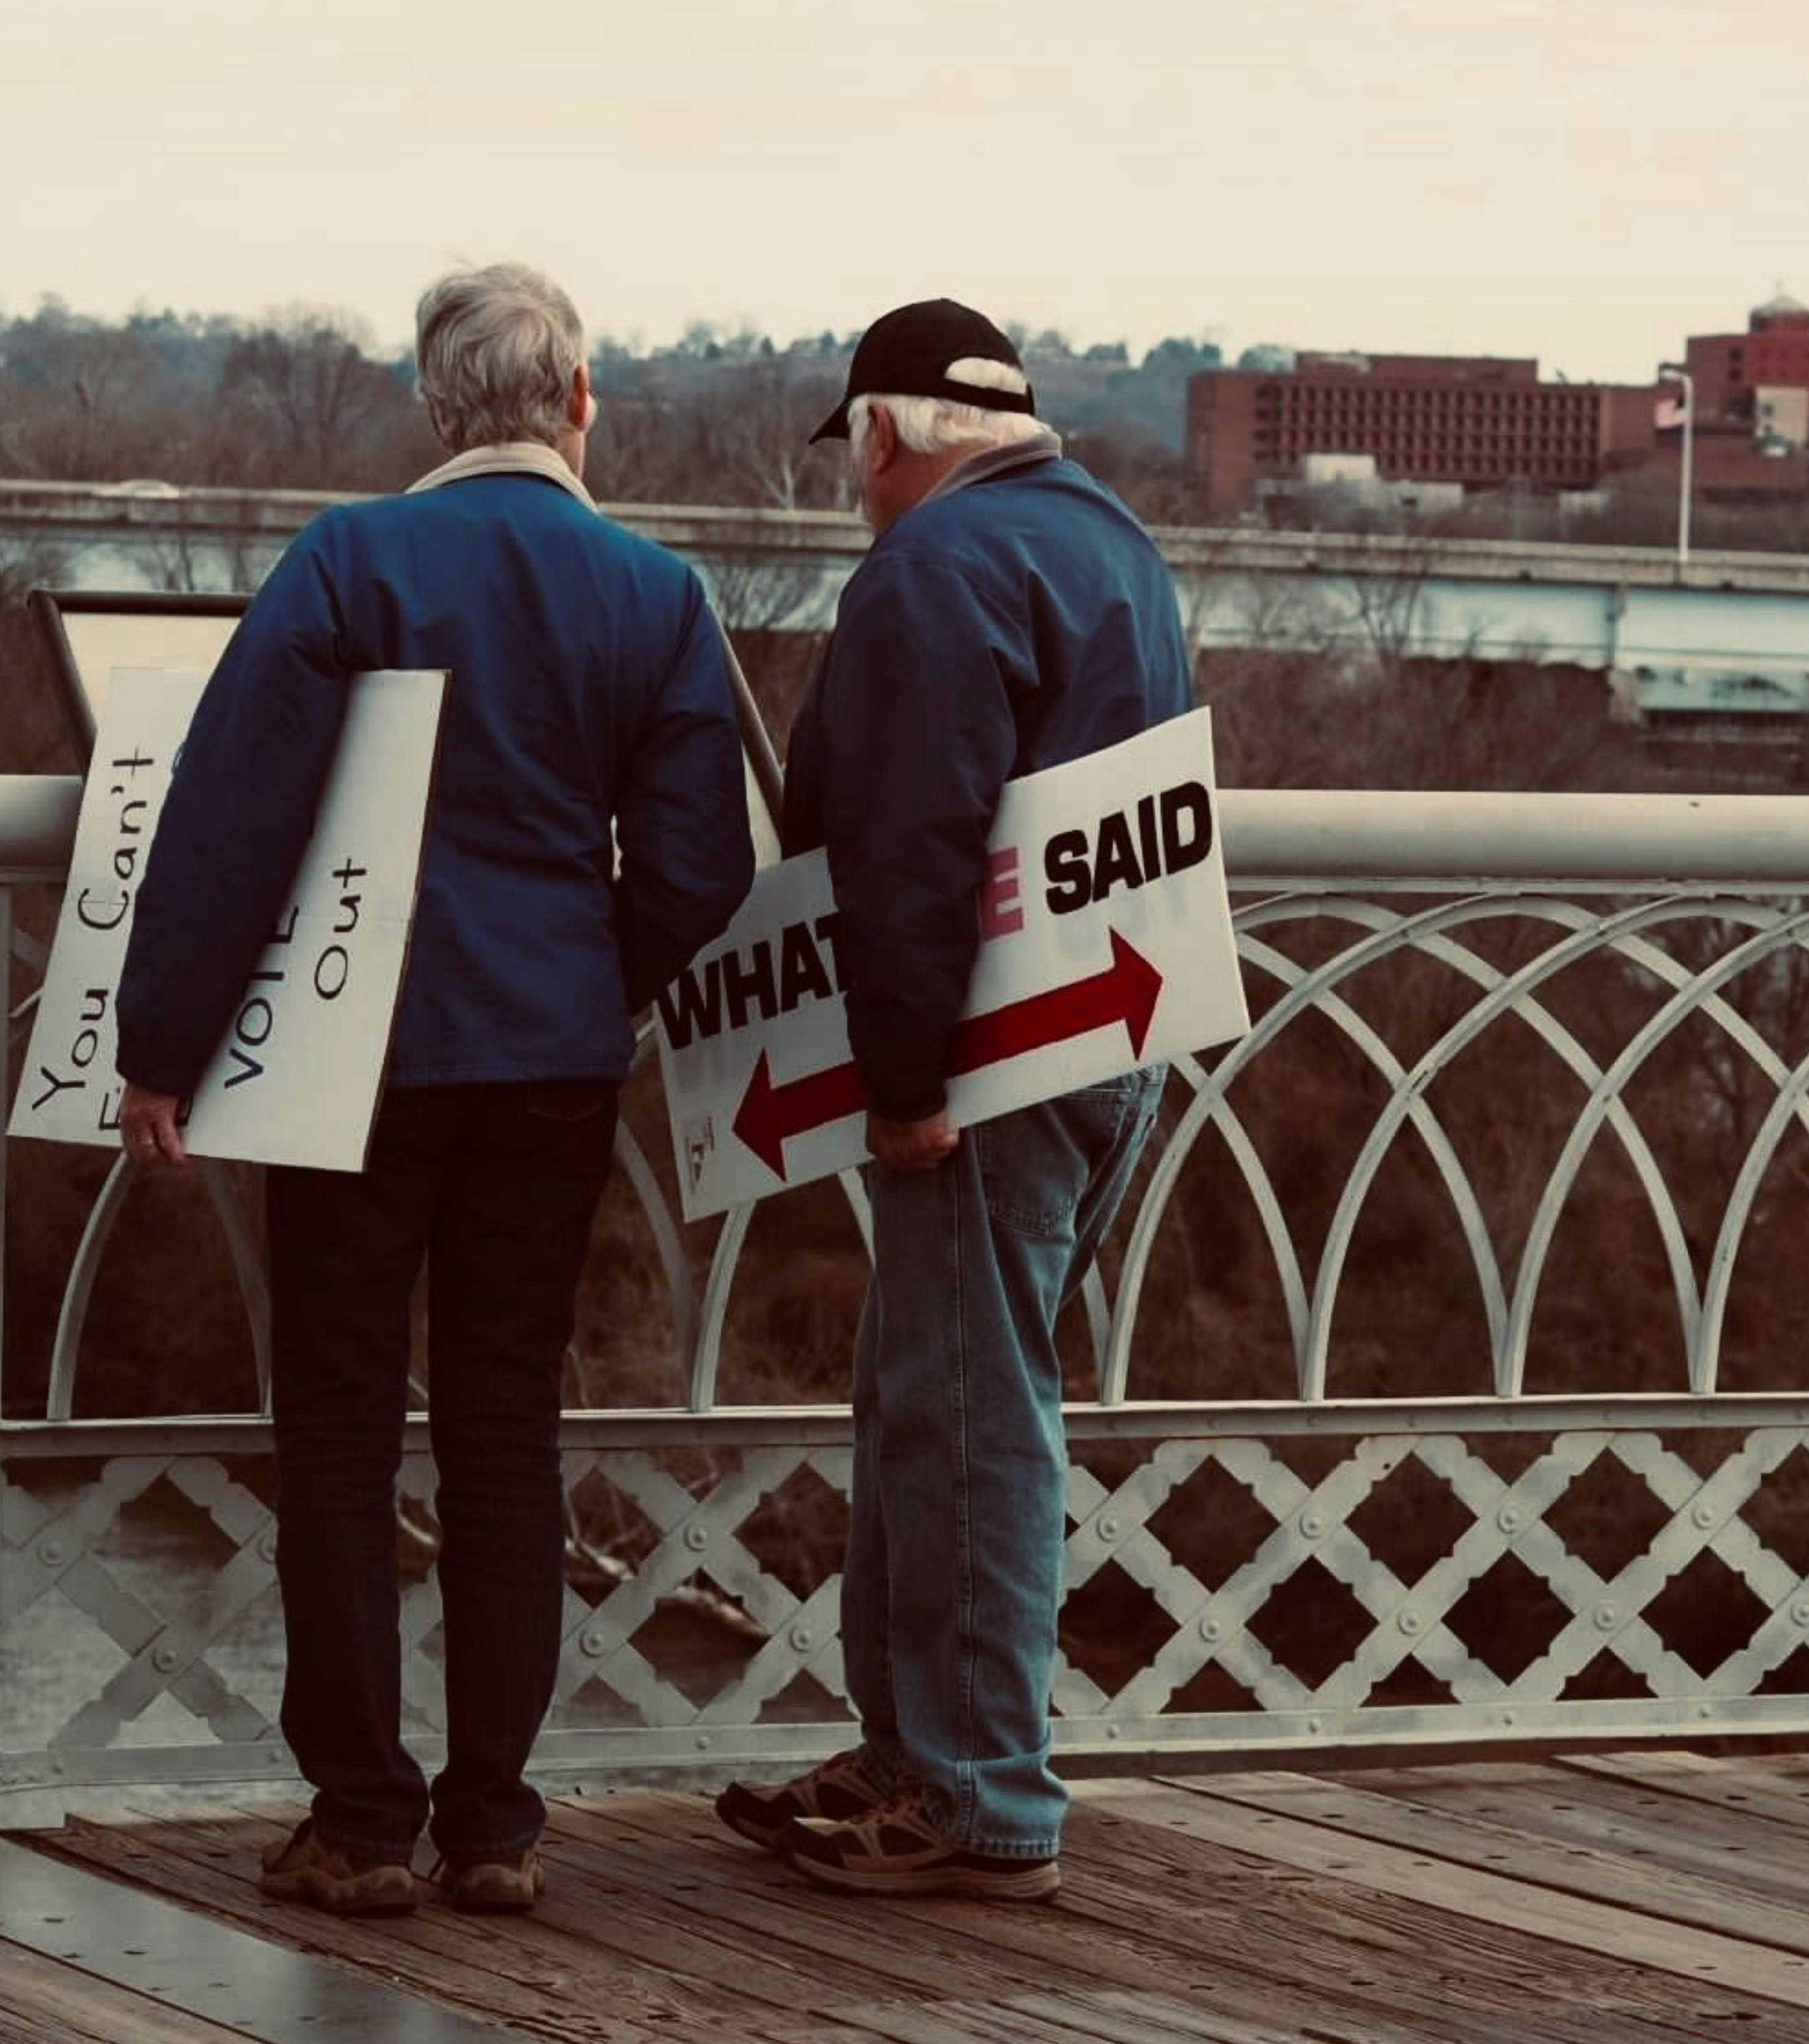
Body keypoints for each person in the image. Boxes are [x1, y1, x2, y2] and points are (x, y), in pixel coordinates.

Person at [114, 263, 758, 1919]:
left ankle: (357, 1817)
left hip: (358, 1061)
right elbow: (697, 867)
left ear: (431, 403)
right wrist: (592, 976)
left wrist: (162, 1048)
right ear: (582, 404)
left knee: (338, 1428)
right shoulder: (656, 593)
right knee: (504, 1427)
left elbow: (235, 811)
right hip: (548, 1062)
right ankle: (495, 1825)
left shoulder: (353, 562)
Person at [714, 298, 1194, 1899]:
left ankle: (979, 1794)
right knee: (938, 1393)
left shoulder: (931, 569)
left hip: (986, 1056)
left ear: (887, 435)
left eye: (853, 455)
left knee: (971, 1412)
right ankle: (914, 1752)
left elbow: (915, 838)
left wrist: (907, 1078)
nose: (856, 489)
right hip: (1103, 1026)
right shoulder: (1110, 543)